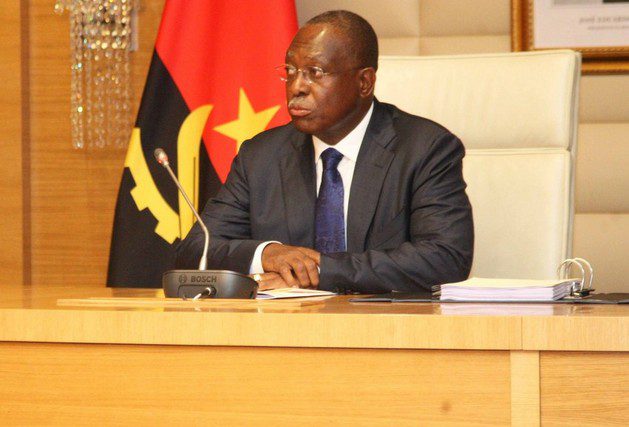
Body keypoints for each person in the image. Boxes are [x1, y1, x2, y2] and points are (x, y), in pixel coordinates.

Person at [176, 10, 474, 294]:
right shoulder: (260, 156)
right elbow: (195, 249)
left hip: (387, 324)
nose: (296, 87)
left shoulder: (424, 149)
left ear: (364, 82)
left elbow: (445, 258)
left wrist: (319, 271)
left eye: (315, 73)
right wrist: (267, 253)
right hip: (285, 325)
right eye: (290, 71)